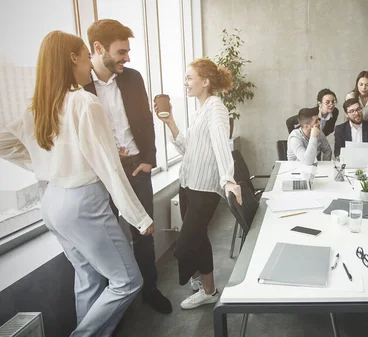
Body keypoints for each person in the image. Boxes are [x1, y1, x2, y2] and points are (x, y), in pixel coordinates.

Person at [0, 31, 152, 336]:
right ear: (73, 58)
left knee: (89, 279)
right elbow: (109, 168)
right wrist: (139, 217)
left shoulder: (38, 107)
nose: (88, 66)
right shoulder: (84, 102)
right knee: (128, 281)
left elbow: (5, 143)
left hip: (52, 202)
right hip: (83, 204)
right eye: (85, 57)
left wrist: (48, 163)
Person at [84, 19, 171, 314]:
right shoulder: (78, 84)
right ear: (98, 48)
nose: (127, 58)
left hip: (136, 168)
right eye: (122, 51)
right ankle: (114, 302)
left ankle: (150, 289)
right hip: (101, 175)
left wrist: (150, 159)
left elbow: (146, 120)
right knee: (107, 238)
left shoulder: (133, 78)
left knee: (144, 232)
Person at [156, 58, 242, 310]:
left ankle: (196, 279)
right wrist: (171, 122)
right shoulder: (199, 111)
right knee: (200, 239)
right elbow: (188, 150)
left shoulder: (215, 107)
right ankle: (209, 290)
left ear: (205, 81)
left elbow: (220, 142)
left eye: (189, 77)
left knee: (184, 245)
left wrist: (228, 179)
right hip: (189, 185)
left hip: (205, 189)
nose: (185, 83)